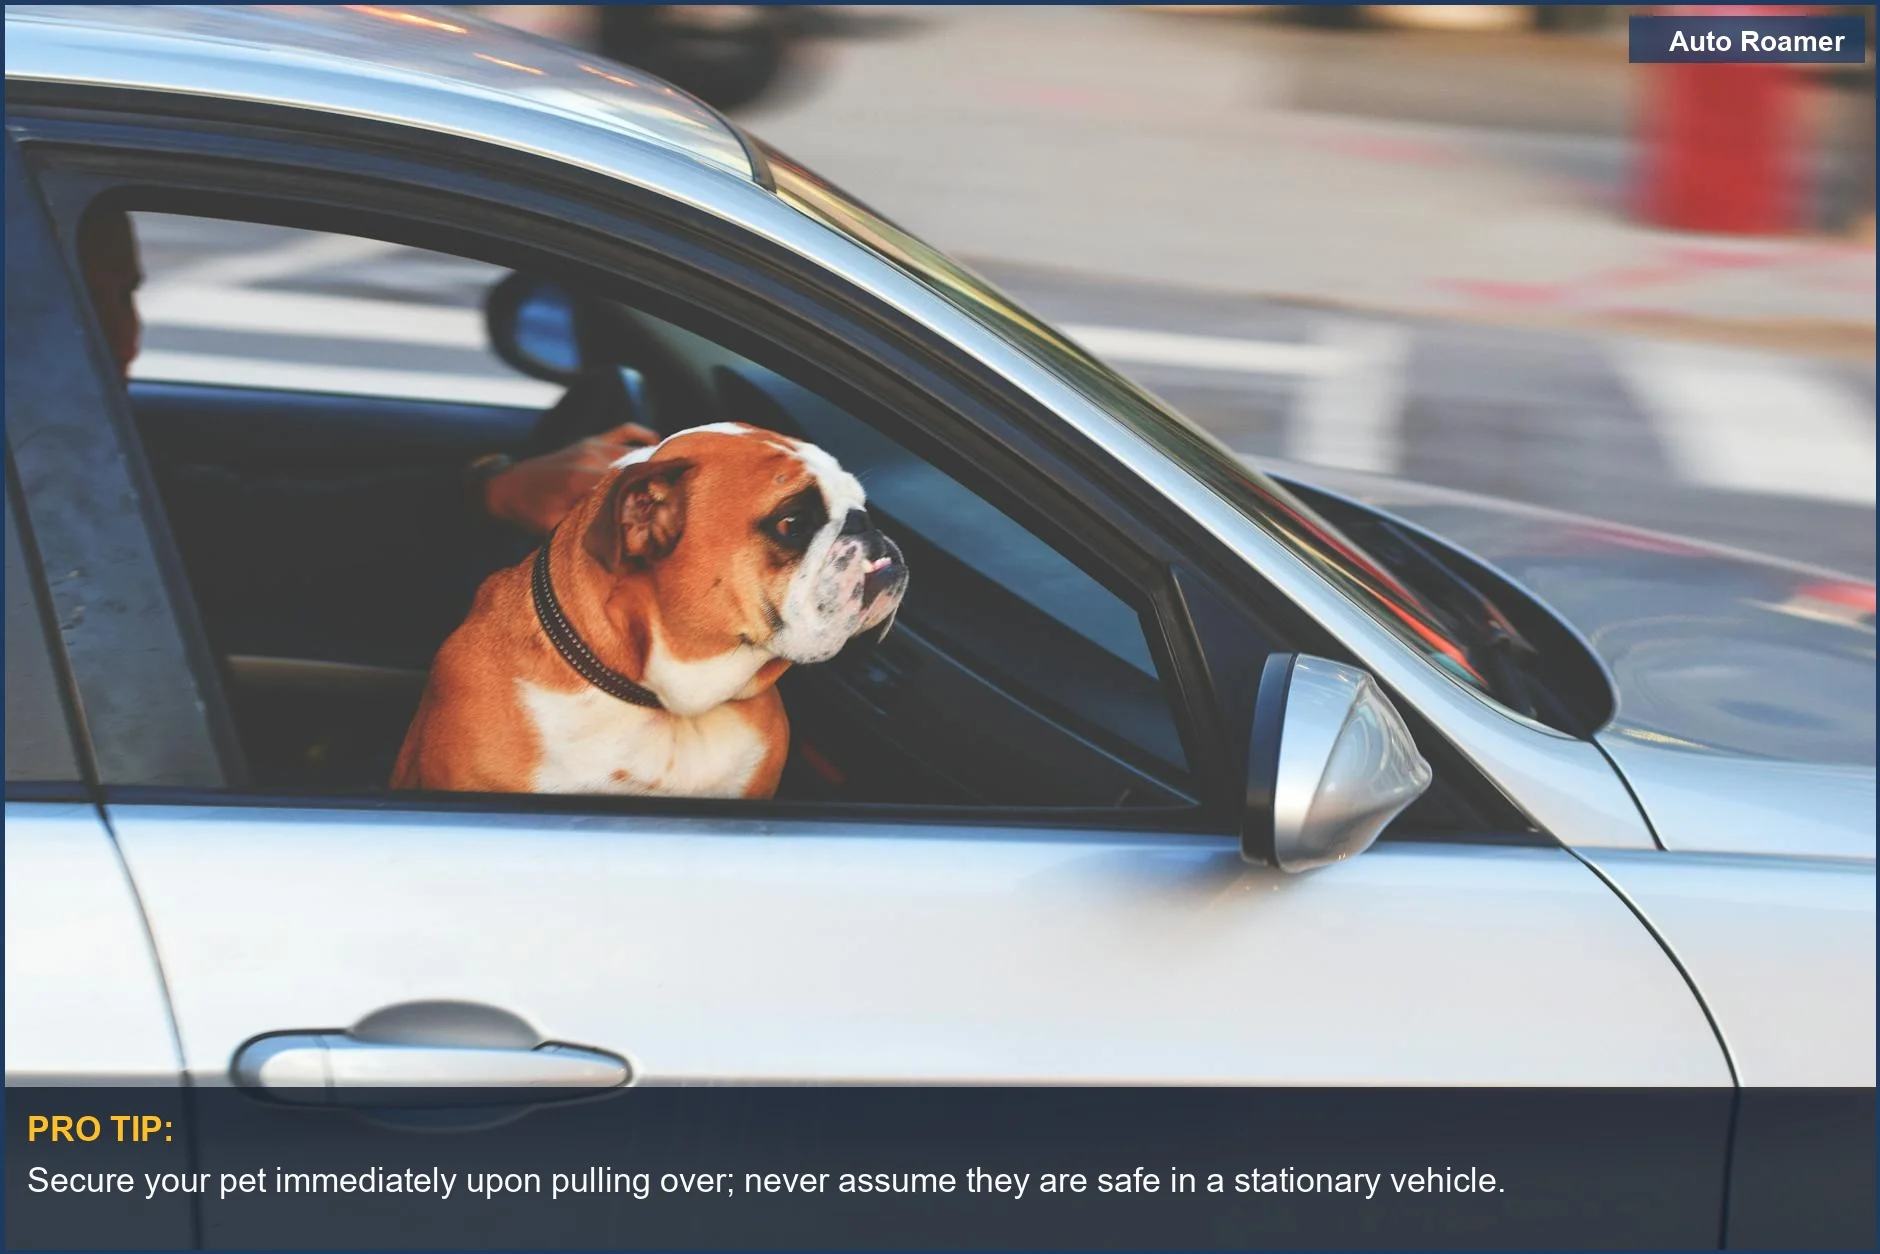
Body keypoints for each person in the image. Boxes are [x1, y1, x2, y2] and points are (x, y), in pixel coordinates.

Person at [77, 205, 661, 667]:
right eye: (82, 301)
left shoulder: (72, 455)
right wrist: (491, 495)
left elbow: (218, 514)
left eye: (127, 296)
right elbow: (235, 536)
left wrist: (489, 489)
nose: (126, 340)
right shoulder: (54, 472)